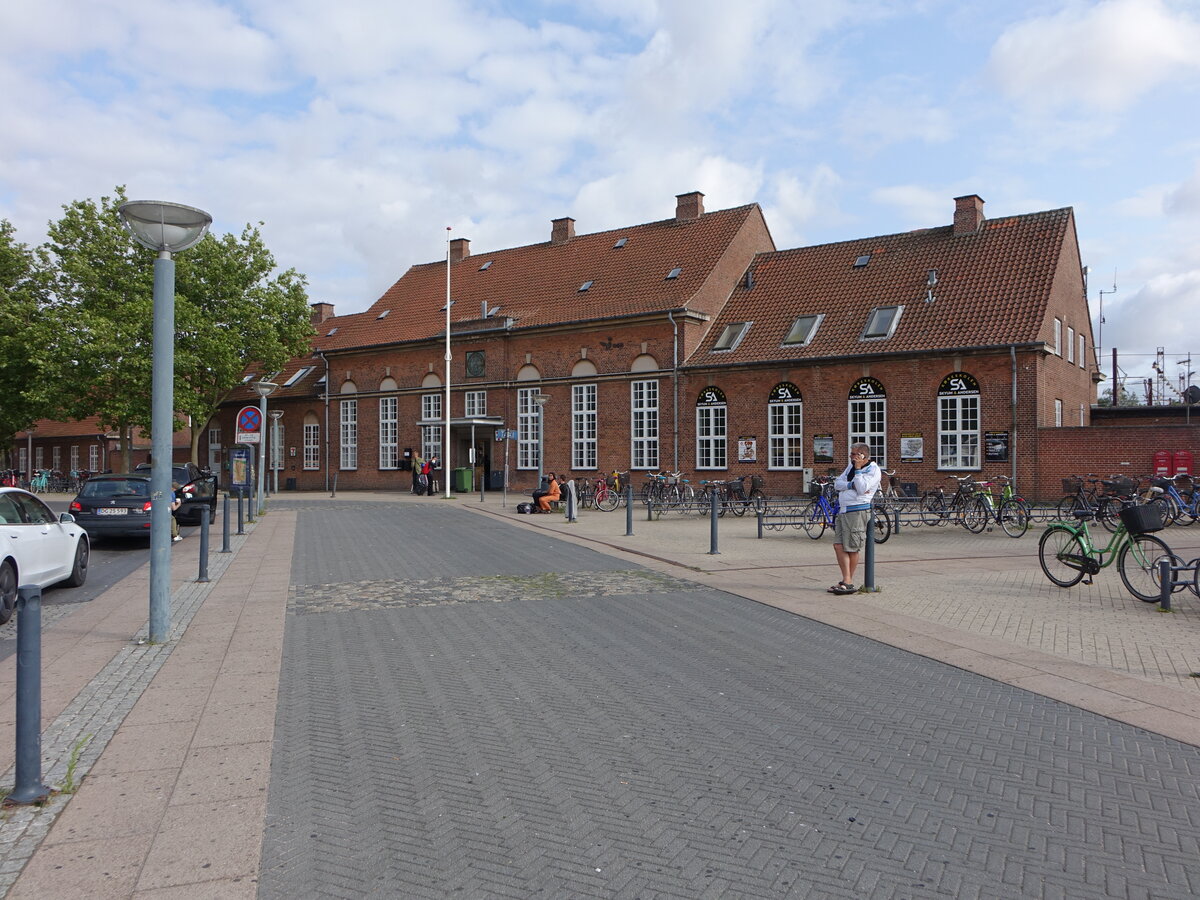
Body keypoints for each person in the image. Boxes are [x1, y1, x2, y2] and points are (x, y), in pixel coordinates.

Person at [829, 442, 880, 594]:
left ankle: (848, 581)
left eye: (853, 454)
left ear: (862, 455)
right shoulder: (850, 466)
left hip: (857, 511)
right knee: (838, 545)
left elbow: (863, 488)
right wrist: (851, 485)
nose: (851, 457)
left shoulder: (873, 470)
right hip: (844, 510)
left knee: (852, 547)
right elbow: (838, 483)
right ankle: (847, 580)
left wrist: (857, 471)